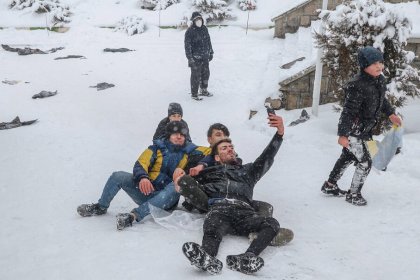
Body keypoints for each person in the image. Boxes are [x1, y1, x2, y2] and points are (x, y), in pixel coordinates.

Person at [176, 114, 285, 274]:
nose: (230, 150)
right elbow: (190, 187)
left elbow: (267, 156)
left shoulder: (249, 171)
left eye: (231, 147)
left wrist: (279, 133)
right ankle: (207, 257)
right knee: (212, 228)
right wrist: (182, 176)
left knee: (272, 223)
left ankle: (248, 258)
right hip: (220, 209)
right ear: (217, 157)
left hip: (244, 213)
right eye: (224, 148)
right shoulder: (208, 172)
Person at [77, 121, 198, 230]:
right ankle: (101, 206)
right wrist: (143, 177)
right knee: (117, 176)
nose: (179, 137)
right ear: (168, 135)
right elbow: (141, 163)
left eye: (182, 135)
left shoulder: (191, 151)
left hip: (167, 201)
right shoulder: (155, 149)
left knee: (177, 183)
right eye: (175, 134)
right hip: (147, 192)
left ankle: (133, 216)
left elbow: (212, 151)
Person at [321, 46, 402, 206]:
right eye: (374, 63)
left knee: (348, 156)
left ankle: (330, 186)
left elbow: (381, 100)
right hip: (353, 131)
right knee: (365, 162)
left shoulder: (379, 80)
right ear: (364, 65)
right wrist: (343, 134)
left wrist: (391, 113)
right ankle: (353, 194)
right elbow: (348, 112)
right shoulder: (357, 85)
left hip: (365, 129)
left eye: (380, 62)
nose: (379, 66)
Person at [184, 12, 214, 101]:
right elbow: (187, 46)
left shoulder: (204, 29)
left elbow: (208, 41)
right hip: (195, 58)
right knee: (195, 76)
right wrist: (190, 58)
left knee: (206, 74)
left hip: (205, 57)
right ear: (193, 21)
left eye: (200, 19)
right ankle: (194, 94)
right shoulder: (190, 31)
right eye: (197, 20)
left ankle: (204, 90)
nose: (199, 21)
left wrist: (211, 52)